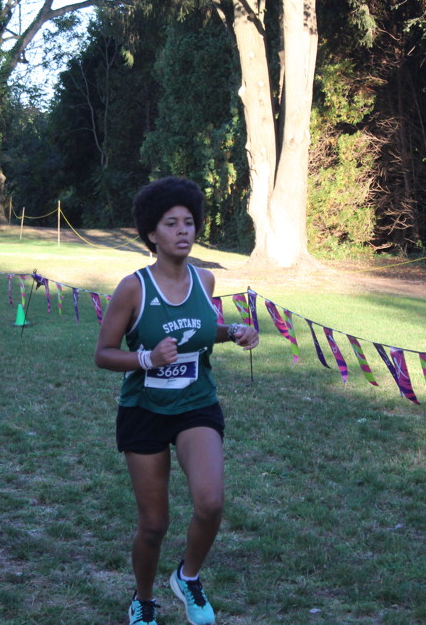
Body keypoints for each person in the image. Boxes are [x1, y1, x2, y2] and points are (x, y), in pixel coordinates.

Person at [94, 176, 258, 625]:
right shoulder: (134, 288)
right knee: (154, 525)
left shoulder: (205, 280)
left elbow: (200, 332)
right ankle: (144, 600)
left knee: (211, 502)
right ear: (152, 232)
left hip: (196, 404)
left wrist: (234, 331)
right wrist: (147, 358)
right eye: (171, 223)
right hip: (143, 411)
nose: (183, 231)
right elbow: (103, 354)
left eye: (189, 222)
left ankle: (187, 577)